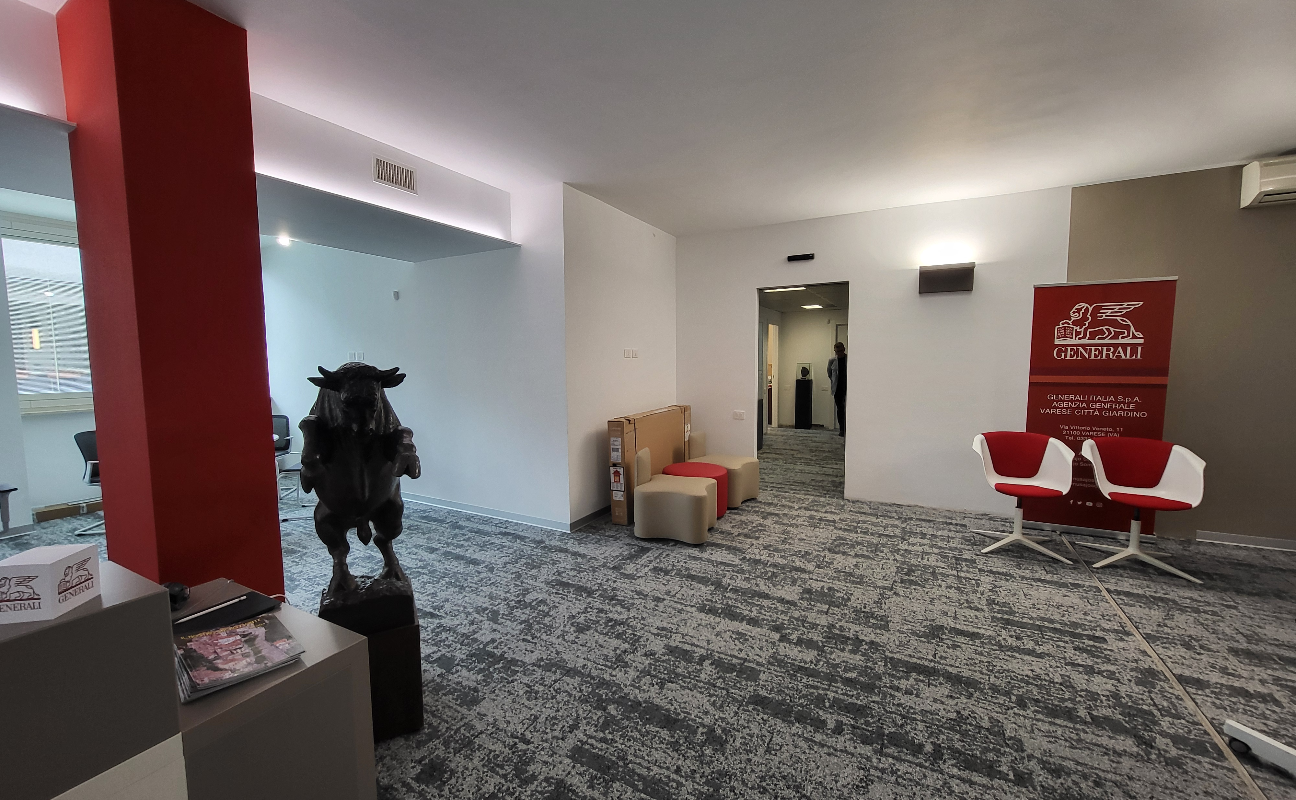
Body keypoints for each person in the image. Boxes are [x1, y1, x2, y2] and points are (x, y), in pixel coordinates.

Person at [827, 342, 847, 436]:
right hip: (837, 388)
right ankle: (842, 429)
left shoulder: (849, 359)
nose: (839, 353)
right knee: (840, 409)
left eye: (840, 351)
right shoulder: (832, 361)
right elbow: (829, 373)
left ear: (844, 349)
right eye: (837, 351)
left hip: (848, 387)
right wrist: (834, 382)